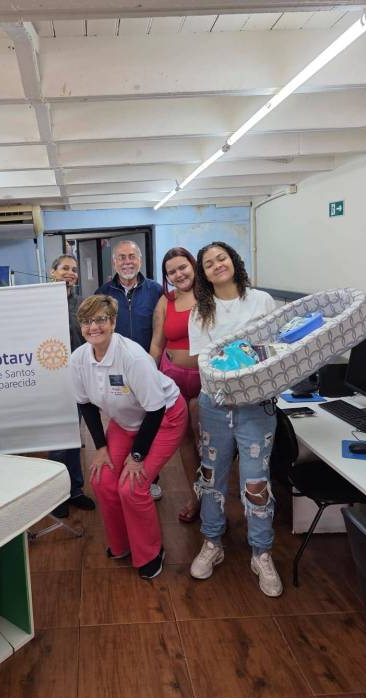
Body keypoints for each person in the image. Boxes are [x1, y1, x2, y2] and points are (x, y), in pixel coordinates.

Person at [188, 241, 283, 597]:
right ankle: (212, 542)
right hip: (215, 407)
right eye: (208, 263)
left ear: (233, 261)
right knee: (211, 477)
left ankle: (261, 553)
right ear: (204, 274)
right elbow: (205, 364)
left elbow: (274, 351)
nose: (217, 265)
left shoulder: (262, 301)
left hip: (256, 407)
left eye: (221, 258)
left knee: (256, 482)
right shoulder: (201, 313)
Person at [71, 294, 188, 579]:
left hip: (164, 419)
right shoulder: (78, 359)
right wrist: (101, 447)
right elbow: (85, 404)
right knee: (101, 479)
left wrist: (137, 457)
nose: (93, 327)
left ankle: (150, 552)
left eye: (100, 319)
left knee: (132, 486)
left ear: (113, 322)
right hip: (126, 422)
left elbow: (156, 409)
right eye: (86, 321)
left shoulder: (133, 357)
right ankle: (122, 543)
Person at [96, 240, 164, 499]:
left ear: (140, 260)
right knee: (124, 420)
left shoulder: (155, 291)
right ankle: (125, 469)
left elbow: (162, 329)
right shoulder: (103, 293)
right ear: (114, 263)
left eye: (132, 257)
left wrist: (154, 362)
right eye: (121, 257)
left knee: (150, 421)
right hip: (116, 370)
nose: (127, 262)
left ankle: (150, 477)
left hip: (149, 368)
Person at [149, 247, 202, 523]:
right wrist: (147, 378)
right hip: (172, 378)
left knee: (207, 439)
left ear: (193, 265)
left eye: (183, 267)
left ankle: (214, 501)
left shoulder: (211, 296)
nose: (178, 274)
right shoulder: (165, 301)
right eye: (172, 272)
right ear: (166, 277)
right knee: (185, 439)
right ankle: (195, 497)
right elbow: (157, 344)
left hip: (206, 380)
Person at [49, 254, 95, 518]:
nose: (70, 273)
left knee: (73, 437)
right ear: (52, 272)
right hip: (50, 380)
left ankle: (75, 490)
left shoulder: (82, 305)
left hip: (77, 377)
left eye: (74, 269)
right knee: (58, 440)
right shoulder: (40, 303)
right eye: (65, 268)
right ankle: (56, 496)